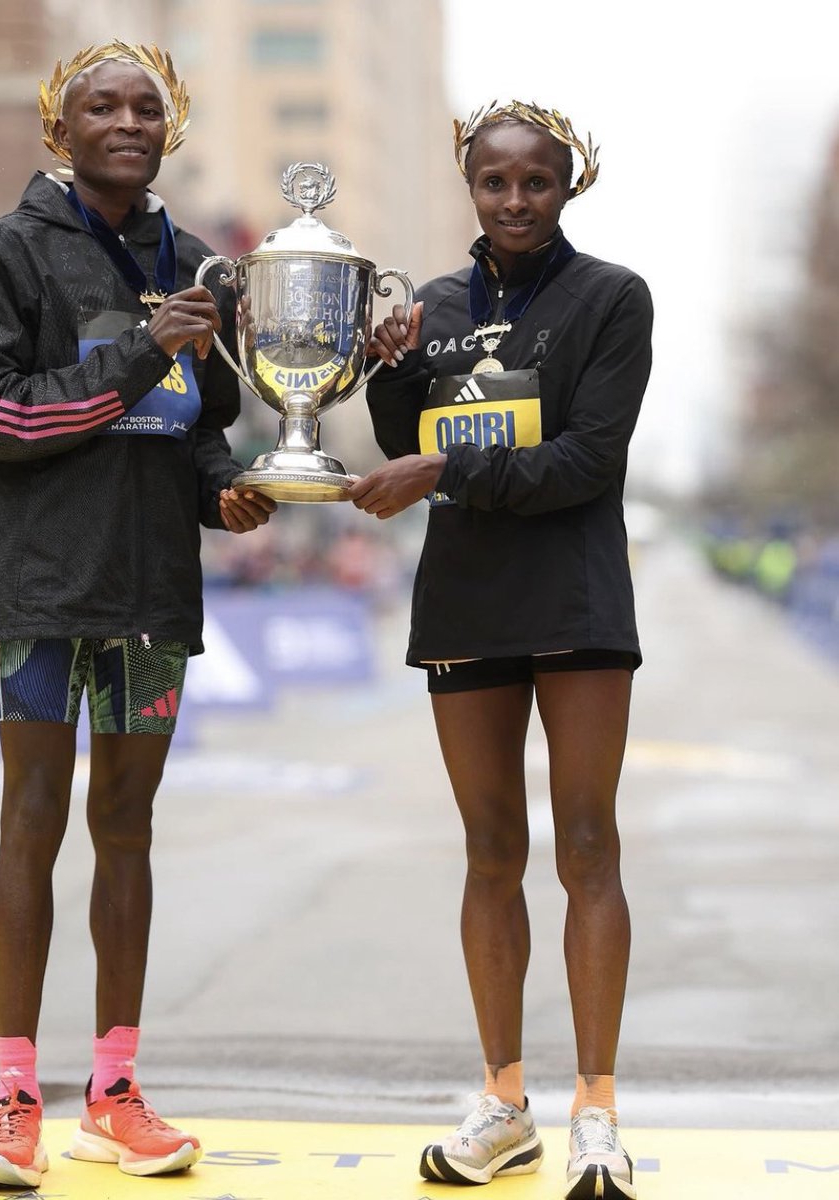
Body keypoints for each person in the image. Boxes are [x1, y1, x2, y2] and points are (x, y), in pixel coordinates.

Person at [0, 43, 276, 1189]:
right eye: (102, 104)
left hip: (151, 597)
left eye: (146, 106)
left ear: (171, 124)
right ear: (60, 123)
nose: (126, 121)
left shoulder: (195, 264)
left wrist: (221, 493)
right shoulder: (1, 252)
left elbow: (199, 428)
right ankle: (12, 1101)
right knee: (30, 822)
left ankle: (116, 1091)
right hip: (43, 592)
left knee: (126, 833)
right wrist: (145, 349)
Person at [350, 100, 652, 1200]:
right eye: (494, 183)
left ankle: (599, 1115)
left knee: (585, 847)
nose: (514, 200)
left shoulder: (612, 298)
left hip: (575, 603)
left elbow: (584, 461)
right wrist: (390, 371)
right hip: (466, 604)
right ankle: (505, 1103)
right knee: (488, 852)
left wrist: (439, 470)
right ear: (468, 185)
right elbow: (396, 438)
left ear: (568, 184)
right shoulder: (432, 305)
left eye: (535, 182)